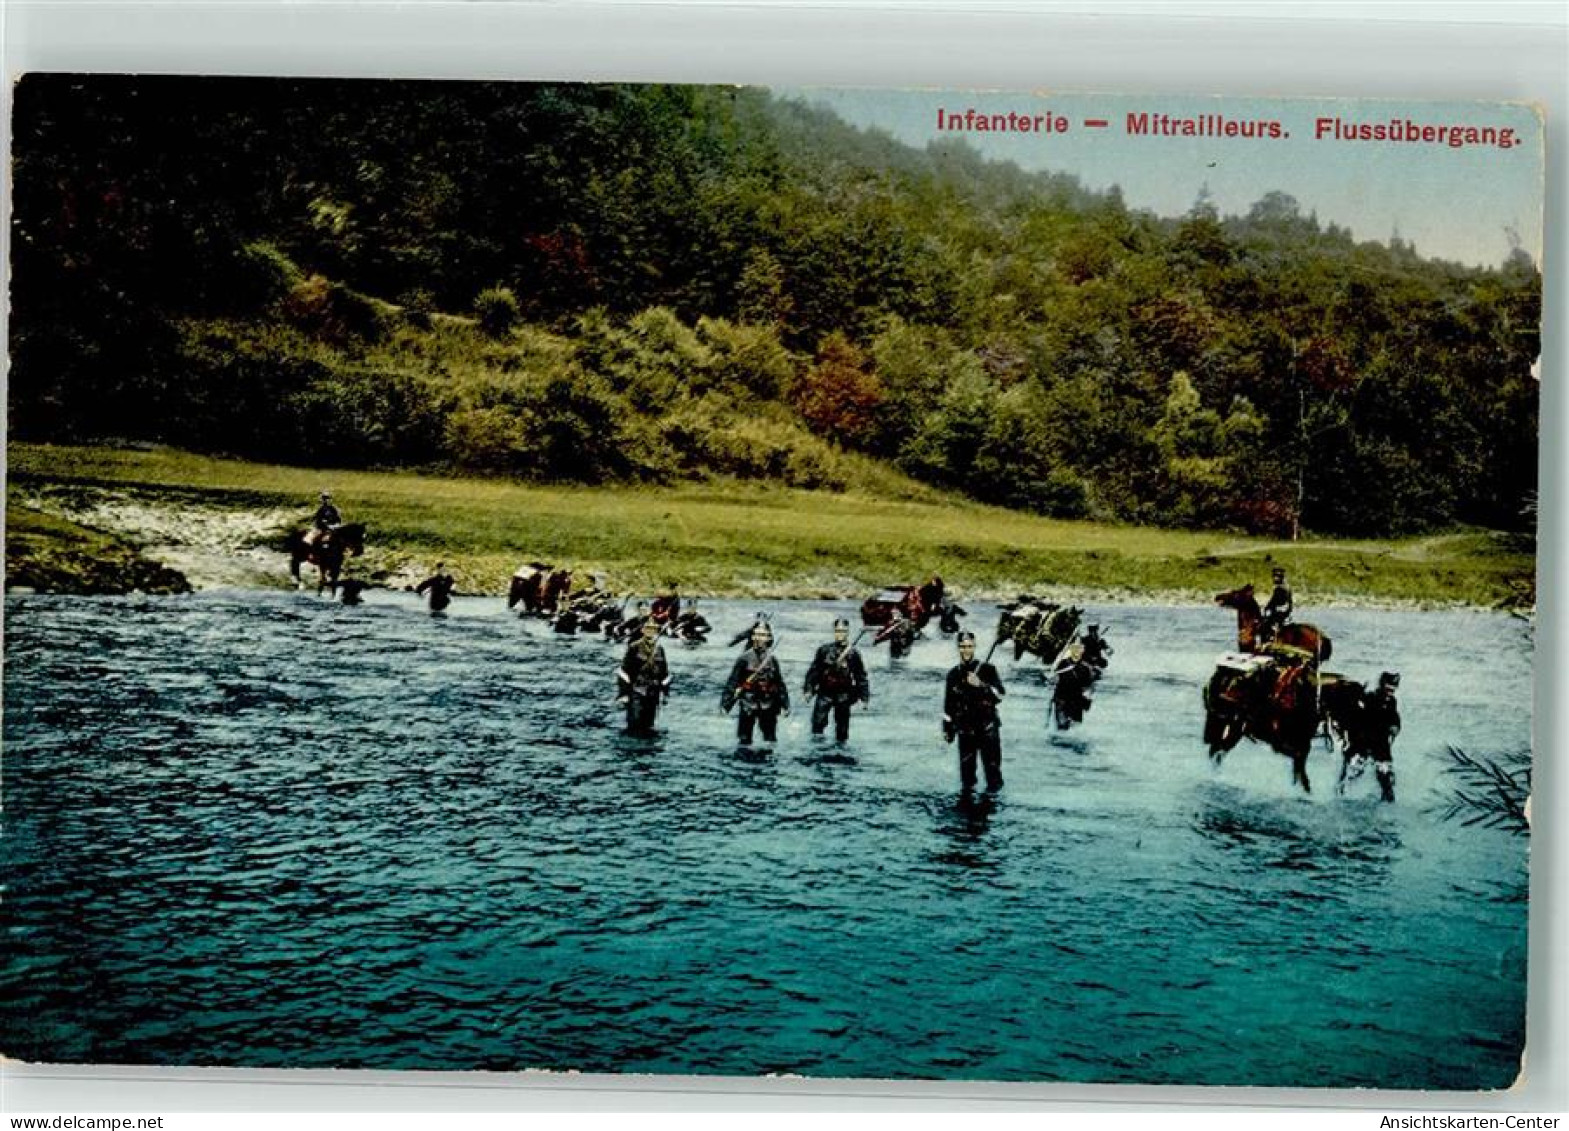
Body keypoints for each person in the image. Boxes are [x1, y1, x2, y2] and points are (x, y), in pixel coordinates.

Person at [943, 631, 1006, 792]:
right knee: (967, 777)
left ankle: (993, 811)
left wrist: (980, 684)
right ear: (958, 648)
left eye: (969, 646)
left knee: (993, 775)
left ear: (974, 647)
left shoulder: (988, 670)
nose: (966, 650)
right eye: (963, 646)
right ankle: (966, 812)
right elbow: (949, 705)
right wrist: (948, 729)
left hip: (987, 728)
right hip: (966, 730)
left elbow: (1000, 695)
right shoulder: (953, 674)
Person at [803, 617, 870, 743]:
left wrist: (864, 698)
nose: (840, 634)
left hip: (843, 695)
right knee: (817, 726)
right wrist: (808, 690)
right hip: (825, 693)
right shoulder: (824, 650)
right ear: (834, 632)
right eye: (838, 631)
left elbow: (860, 677)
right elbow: (814, 672)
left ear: (848, 632)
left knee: (842, 731)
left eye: (843, 631)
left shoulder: (853, 654)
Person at [721, 622, 789, 745]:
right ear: (752, 637)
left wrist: (785, 705)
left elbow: (779, 683)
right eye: (756, 634)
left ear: (768, 638)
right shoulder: (744, 658)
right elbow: (732, 682)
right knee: (744, 739)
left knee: (770, 739)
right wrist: (725, 704)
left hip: (768, 704)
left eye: (762, 635)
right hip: (748, 702)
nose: (759, 638)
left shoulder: (772, 660)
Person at [617, 618, 671, 735]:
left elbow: (665, 673)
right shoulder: (634, 647)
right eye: (648, 628)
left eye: (653, 629)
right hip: (637, 691)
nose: (650, 631)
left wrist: (665, 694)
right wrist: (624, 694)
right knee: (634, 725)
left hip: (653, 692)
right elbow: (623, 672)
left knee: (649, 725)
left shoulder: (660, 649)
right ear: (642, 630)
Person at [1359, 671, 1402, 802]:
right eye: (1389, 688)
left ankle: (1387, 800)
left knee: (1386, 777)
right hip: (1366, 741)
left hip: (1382, 745)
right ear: (1382, 685)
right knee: (1356, 770)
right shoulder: (1371, 698)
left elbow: (1394, 717)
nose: (1391, 692)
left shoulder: (1392, 701)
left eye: (1393, 689)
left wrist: (1395, 727)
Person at [1050, 642, 1095, 730]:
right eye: (1076, 649)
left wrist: (1088, 698)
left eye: (1080, 649)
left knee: (1075, 726)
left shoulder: (1086, 668)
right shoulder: (1062, 664)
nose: (1078, 651)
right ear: (1071, 650)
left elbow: (1089, 686)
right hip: (1062, 698)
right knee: (1061, 726)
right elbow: (1054, 679)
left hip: (1076, 699)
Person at [1262, 567, 1293, 642]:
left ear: (1280, 578)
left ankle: (1270, 638)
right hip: (1285, 609)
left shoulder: (1280, 588)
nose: (1274, 579)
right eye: (1274, 577)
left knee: (1265, 623)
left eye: (1276, 577)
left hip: (1281, 610)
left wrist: (1267, 608)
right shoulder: (1285, 586)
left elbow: (1274, 601)